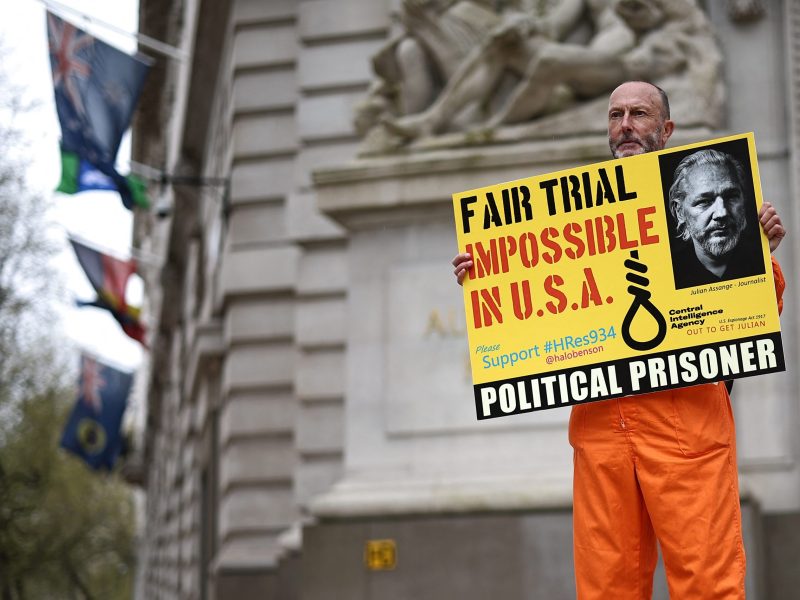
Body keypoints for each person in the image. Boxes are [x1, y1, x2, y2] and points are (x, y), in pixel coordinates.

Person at [452, 81, 786, 599]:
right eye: (615, 115)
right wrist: (488, 273)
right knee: (606, 588)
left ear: (666, 129)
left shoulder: (707, 198)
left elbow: (755, 312)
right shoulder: (567, 217)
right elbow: (538, 310)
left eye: (639, 114)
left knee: (708, 584)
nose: (625, 125)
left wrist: (760, 254)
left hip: (687, 424)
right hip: (602, 429)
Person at [667, 149, 764, 288]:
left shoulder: (763, 262)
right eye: (704, 201)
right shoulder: (666, 276)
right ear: (679, 211)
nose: (721, 213)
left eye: (731, 196)